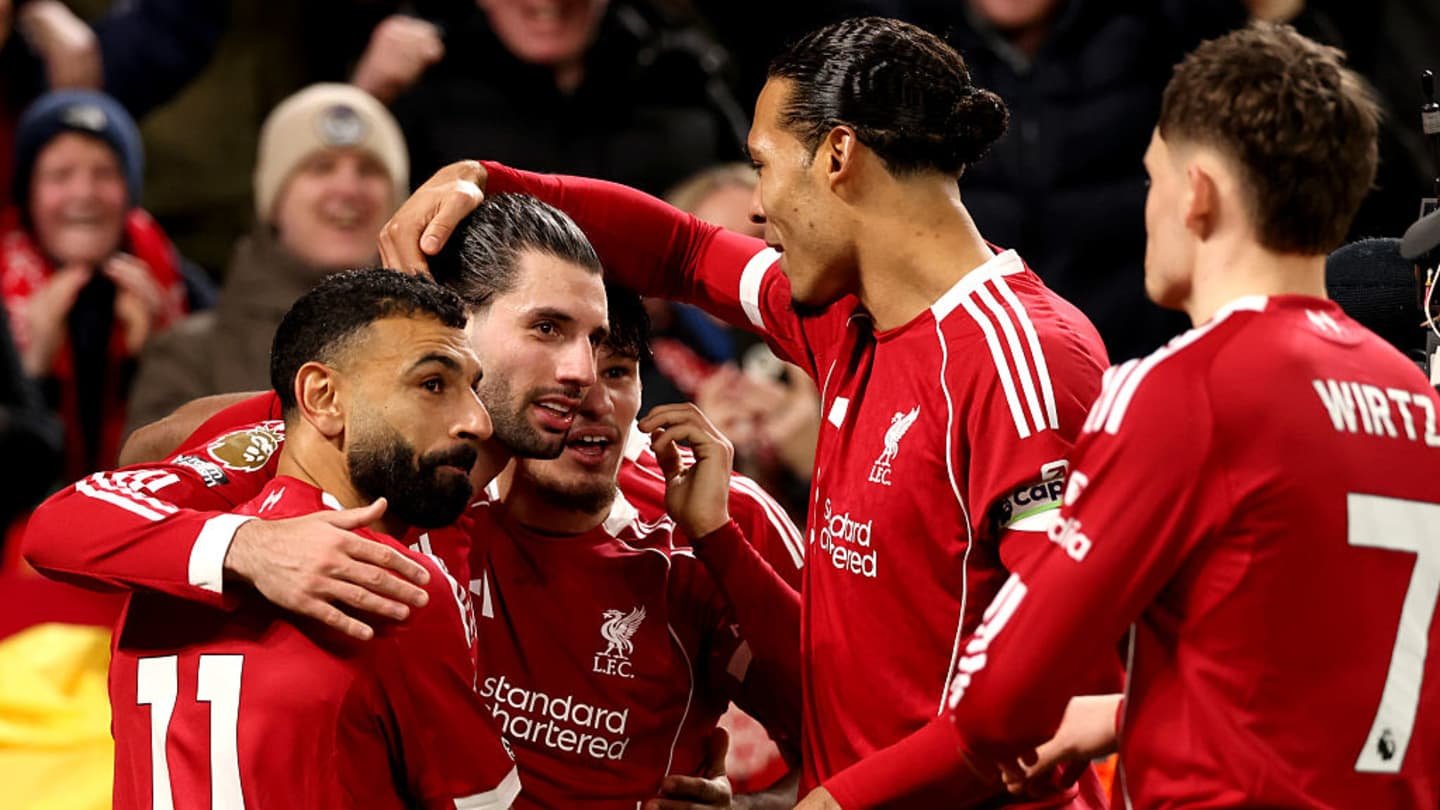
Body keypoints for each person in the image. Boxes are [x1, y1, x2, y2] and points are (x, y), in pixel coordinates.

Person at [378, 16, 1116, 808]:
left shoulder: (1024, 361)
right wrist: (486, 181)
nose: (758, 207)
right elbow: (682, 252)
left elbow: (1063, 694)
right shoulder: (845, 324)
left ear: (837, 157)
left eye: (763, 165)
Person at [893, 24, 1440, 808]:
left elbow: (996, 697)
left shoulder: (1188, 388)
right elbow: (1324, 674)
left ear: (1198, 192)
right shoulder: (1416, 399)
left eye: (1151, 179)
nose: (1147, 208)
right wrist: (1122, 713)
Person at [28, 268, 520, 808]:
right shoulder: (391, 585)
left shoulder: (163, 562)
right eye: (432, 385)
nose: (478, 420)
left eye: (472, 388)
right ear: (322, 397)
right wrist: (255, 547)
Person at [127, 83, 409, 431]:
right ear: (273, 203)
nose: (348, 189)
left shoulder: (446, 344)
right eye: (321, 167)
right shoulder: (190, 356)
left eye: (369, 170)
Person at [1, 89, 187, 483]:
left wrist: (155, 357)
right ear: (29, 193)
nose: (83, 193)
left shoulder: (181, 285)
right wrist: (32, 369)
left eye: (104, 173)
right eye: (60, 175)